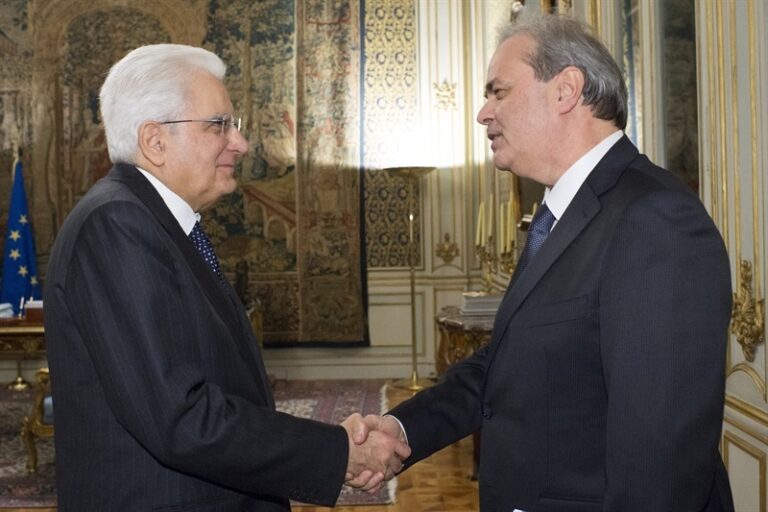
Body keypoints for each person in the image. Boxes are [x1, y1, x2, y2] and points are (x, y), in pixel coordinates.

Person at [350, 14, 735, 511]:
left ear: (566, 90)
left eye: (499, 91)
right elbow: (507, 366)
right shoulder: (560, 215)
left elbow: (657, 466)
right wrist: (402, 429)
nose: (483, 113)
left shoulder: (654, 220)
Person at [44, 44, 409, 511]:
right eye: (218, 125)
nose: (240, 143)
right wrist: (339, 453)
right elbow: (181, 418)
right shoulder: (117, 224)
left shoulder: (156, 221)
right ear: (154, 140)